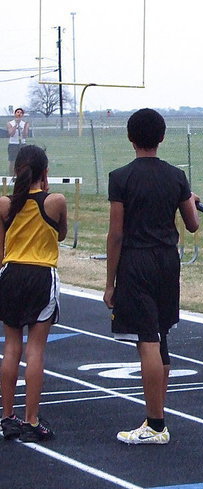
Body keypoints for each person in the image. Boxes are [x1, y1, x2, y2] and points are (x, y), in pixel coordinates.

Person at [105, 108, 202, 444]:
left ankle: (156, 424)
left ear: (131, 138)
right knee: (161, 335)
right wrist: (186, 198)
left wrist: (109, 283)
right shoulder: (176, 176)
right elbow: (192, 224)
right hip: (167, 261)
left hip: (136, 261)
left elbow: (115, 233)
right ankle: (158, 416)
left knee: (147, 338)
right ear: (161, 137)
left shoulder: (120, 177)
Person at [0, 145, 67, 442]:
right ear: (45, 172)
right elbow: (61, 233)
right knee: (35, 350)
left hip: (11, 273)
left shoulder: (4, 204)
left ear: (16, 172)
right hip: (41, 274)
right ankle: (31, 419)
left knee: (11, 347)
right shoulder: (55, 201)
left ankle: (7, 417)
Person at [7, 108, 30, 175]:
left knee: (23, 161)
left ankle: (21, 175)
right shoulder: (10, 123)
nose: (19, 114)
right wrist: (16, 124)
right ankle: (11, 175)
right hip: (13, 144)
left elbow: (25, 135)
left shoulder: (25, 123)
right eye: (18, 112)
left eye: (21, 113)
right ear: (15, 114)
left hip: (22, 144)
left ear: (22, 115)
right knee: (12, 161)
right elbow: (11, 133)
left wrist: (25, 127)